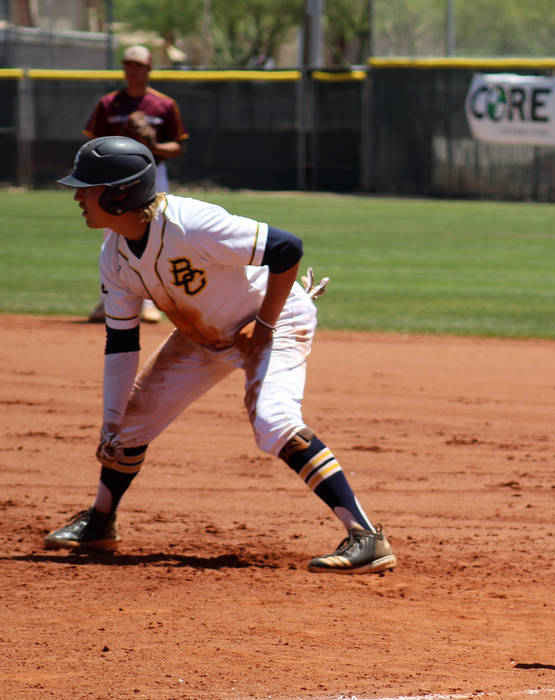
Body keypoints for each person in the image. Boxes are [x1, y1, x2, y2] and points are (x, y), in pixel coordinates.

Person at [44, 136, 395, 575]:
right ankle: (100, 521)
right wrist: (110, 421)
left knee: (273, 421)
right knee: (129, 424)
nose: (77, 196)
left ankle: (366, 536)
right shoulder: (114, 256)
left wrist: (264, 324)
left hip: (275, 321)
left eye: (86, 187)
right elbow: (121, 341)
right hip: (202, 336)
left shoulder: (191, 224)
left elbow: (287, 249)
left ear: (119, 194)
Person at [83, 45, 189, 324]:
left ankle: (148, 302)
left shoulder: (163, 105)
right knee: (111, 238)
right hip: (112, 180)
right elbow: (92, 143)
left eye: (138, 65)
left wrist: (153, 144)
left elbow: (178, 147)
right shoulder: (108, 104)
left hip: (153, 175)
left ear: (149, 67)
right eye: (129, 64)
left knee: (152, 234)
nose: (133, 69)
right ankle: (110, 298)